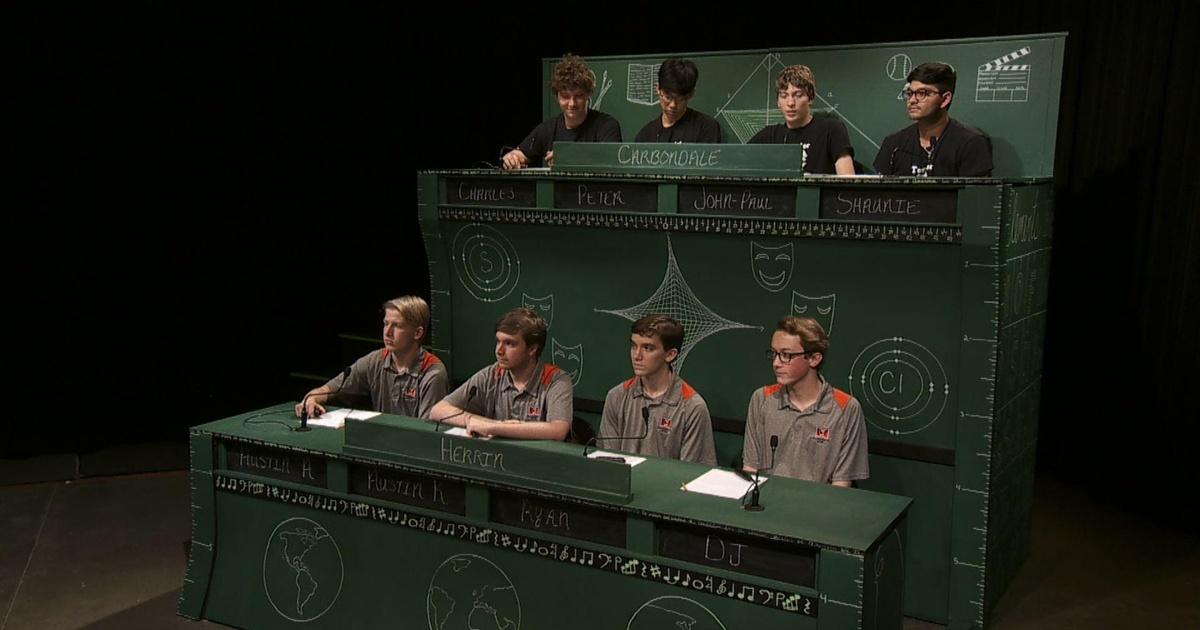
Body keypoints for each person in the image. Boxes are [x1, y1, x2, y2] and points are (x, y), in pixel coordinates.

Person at [742, 316, 868, 486]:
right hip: (766, 500)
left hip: (819, 502)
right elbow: (750, 470)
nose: (776, 363)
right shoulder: (761, 399)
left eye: (786, 355)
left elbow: (841, 486)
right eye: (774, 354)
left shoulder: (846, 409)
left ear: (814, 359)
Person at [429, 308, 572, 440]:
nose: (499, 350)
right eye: (498, 341)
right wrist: (482, 422)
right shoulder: (492, 374)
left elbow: (558, 430)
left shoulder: (556, 380)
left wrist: (493, 428)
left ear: (532, 349)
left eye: (509, 344)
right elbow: (438, 410)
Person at [295, 296, 447, 419]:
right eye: (385, 324)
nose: (387, 332)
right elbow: (331, 388)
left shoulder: (433, 373)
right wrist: (312, 398)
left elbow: (426, 432)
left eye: (397, 326)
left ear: (417, 333)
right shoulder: (375, 360)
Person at [599, 315, 717, 465]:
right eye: (634, 346)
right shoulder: (616, 396)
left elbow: (692, 472)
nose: (637, 356)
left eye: (648, 348)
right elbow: (607, 461)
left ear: (670, 354)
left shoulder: (692, 407)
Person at [873, 62, 993, 177]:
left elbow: (976, 191)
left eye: (922, 93)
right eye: (910, 93)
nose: (912, 100)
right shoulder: (893, 143)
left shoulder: (971, 143)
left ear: (945, 99)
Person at [502, 54, 622, 169]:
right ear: (557, 97)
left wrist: (568, 157)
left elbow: (612, 159)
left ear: (588, 95)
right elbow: (520, 154)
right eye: (565, 96)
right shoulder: (547, 129)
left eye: (578, 96)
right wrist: (512, 158)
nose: (572, 103)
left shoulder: (607, 126)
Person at [748, 65, 855, 175]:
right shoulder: (769, 136)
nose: (790, 103)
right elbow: (739, 163)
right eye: (784, 96)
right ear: (778, 102)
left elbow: (847, 180)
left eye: (798, 95)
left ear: (810, 98)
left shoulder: (831, 130)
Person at [633, 58, 722, 144]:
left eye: (680, 99)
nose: (673, 105)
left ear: (691, 94)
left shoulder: (705, 127)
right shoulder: (646, 135)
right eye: (668, 97)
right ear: (658, 89)